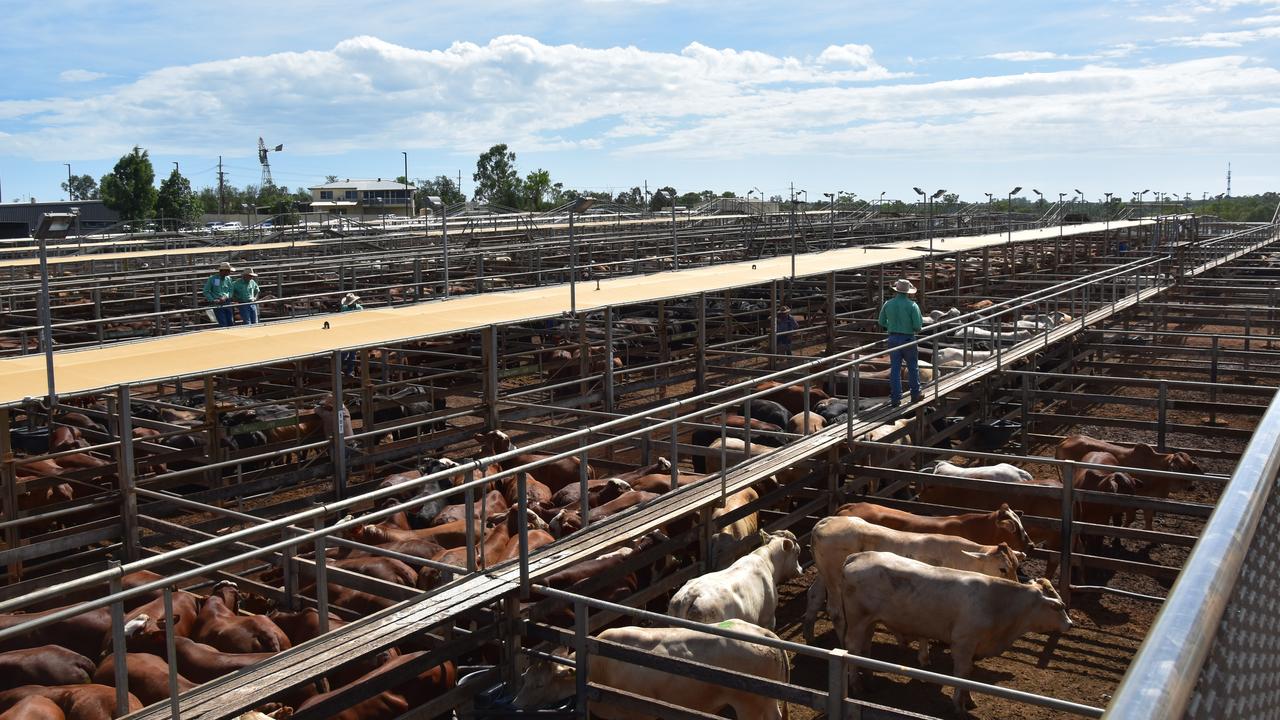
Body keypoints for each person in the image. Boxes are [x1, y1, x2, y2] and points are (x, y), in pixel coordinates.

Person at [877, 279, 924, 407]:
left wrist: (891, 326)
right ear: (908, 292)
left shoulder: (888, 304)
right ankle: (915, 394)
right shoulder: (913, 305)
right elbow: (918, 327)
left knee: (895, 369)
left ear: (896, 290)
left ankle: (896, 398)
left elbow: (881, 322)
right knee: (912, 367)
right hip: (908, 338)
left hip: (892, 338)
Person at [202, 262, 236, 327]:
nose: (229, 272)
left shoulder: (228, 279)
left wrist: (225, 296)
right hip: (217, 302)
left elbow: (231, 290)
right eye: (228, 271)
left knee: (230, 321)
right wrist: (213, 300)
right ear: (223, 271)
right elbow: (206, 291)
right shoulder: (212, 278)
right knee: (223, 322)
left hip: (227, 302)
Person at [339, 293, 363, 375]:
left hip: (353, 332)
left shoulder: (358, 308)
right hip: (348, 331)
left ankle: (349, 371)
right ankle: (345, 370)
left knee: (351, 353)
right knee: (345, 353)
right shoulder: (348, 308)